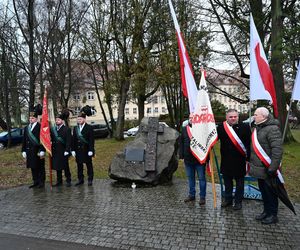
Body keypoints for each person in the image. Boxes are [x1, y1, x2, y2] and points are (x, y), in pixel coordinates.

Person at [249, 107, 283, 224]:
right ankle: (266, 211)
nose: (254, 116)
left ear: (264, 117)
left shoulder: (272, 129)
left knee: (271, 193)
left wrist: (273, 168)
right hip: (260, 169)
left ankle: (273, 215)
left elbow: (277, 150)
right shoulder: (258, 128)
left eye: (256, 114)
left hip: (268, 168)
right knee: (264, 192)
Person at [217, 109, 251, 210]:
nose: (233, 118)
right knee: (227, 182)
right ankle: (228, 199)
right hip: (226, 160)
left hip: (239, 161)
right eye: (230, 117)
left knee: (240, 183)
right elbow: (215, 138)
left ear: (238, 117)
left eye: (235, 116)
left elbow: (249, 144)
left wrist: (248, 158)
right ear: (226, 118)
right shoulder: (221, 127)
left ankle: (238, 202)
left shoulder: (245, 127)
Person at [179, 113, 207, 205]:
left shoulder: (202, 130)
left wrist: (207, 158)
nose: (192, 119)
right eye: (190, 118)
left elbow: (207, 144)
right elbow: (181, 143)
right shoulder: (184, 129)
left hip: (199, 159)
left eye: (194, 118)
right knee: (191, 178)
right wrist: (181, 156)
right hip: (188, 159)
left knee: (202, 178)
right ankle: (191, 195)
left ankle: (202, 197)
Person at [21, 106, 46, 188]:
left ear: (36, 118)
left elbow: (43, 139)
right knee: (32, 167)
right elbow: (24, 140)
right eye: (30, 118)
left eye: (32, 118)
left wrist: (42, 150)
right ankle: (35, 181)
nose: (30, 119)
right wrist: (23, 150)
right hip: (29, 151)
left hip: (38, 151)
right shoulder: (26, 128)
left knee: (40, 167)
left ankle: (41, 182)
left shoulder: (40, 127)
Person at [71, 111, 95, 186]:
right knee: (79, 165)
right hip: (78, 150)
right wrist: (73, 150)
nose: (79, 121)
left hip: (86, 150)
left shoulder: (89, 127)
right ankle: (80, 179)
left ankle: (90, 179)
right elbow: (74, 140)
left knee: (89, 165)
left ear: (84, 119)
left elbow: (91, 140)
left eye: (80, 119)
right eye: (78, 119)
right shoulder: (75, 128)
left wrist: (91, 150)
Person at [50, 112, 72, 187]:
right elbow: (51, 138)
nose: (57, 121)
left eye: (58, 120)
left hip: (63, 151)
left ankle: (68, 180)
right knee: (57, 167)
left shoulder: (67, 129)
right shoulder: (53, 129)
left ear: (62, 121)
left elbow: (69, 141)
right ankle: (59, 181)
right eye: (56, 120)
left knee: (65, 166)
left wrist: (67, 150)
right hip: (55, 151)